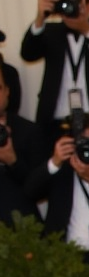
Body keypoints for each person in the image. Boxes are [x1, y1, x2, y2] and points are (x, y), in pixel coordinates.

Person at [23, 110, 89, 262]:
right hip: (66, 257)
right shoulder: (61, 170)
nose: (86, 148)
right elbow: (30, 191)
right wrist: (54, 162)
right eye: (81, 142)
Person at [19, 0, 89, 132]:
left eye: (76, 3)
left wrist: (88, 31)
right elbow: (28, 54)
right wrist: (40, 19)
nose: (71, 8)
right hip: (54, 121)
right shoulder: (50, 31)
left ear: (88, 6)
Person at [0, 57, 40, 224]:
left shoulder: (29, 130)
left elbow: (40, 188)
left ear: (7, 91)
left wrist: (12, 161)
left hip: (21, 230)